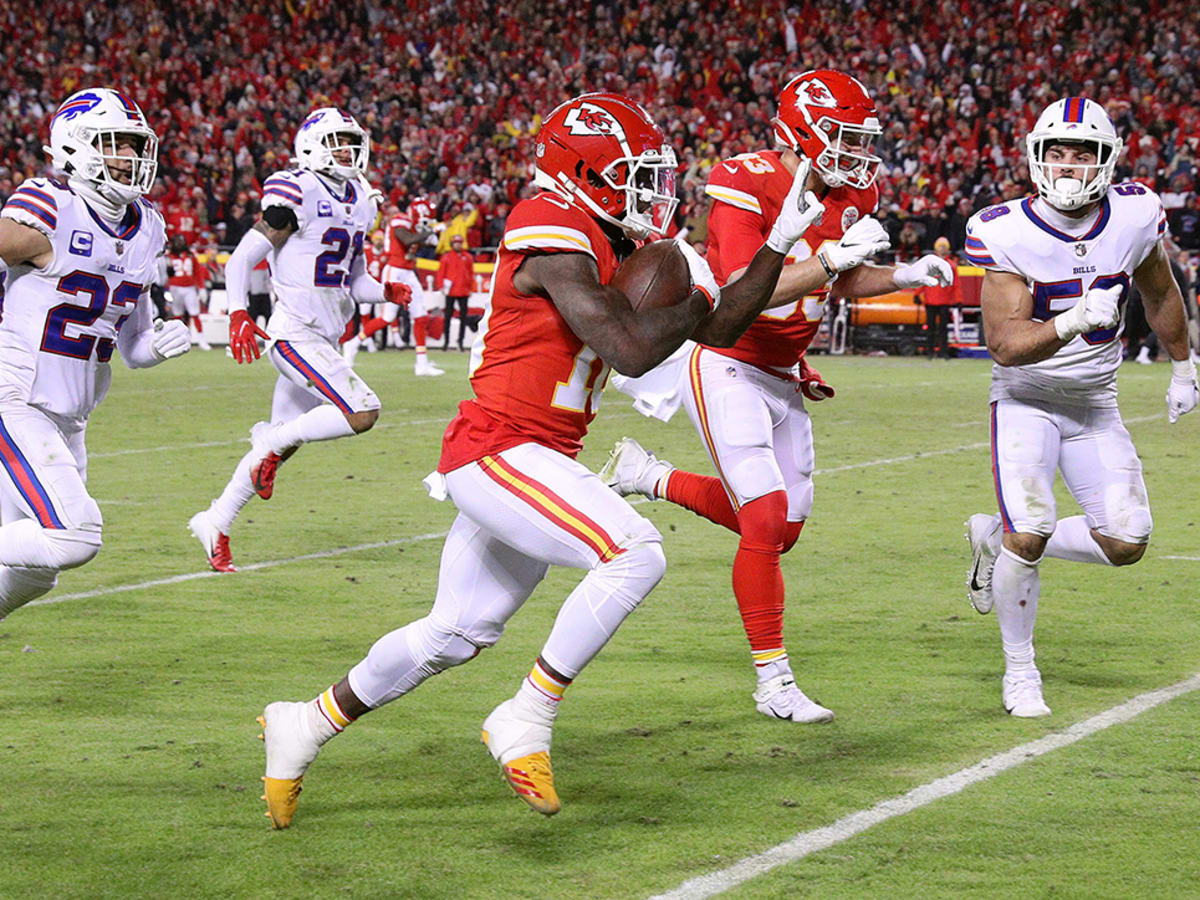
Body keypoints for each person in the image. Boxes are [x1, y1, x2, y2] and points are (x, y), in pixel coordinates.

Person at [256, 91, 824, 828]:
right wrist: (694, 298)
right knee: (635, 552)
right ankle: (526, 715)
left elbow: (720, 326)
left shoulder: (612, 238)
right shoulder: (547, 223)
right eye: (631, 174)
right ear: (584, 172)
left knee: (453, 633)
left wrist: (776, 246)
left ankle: (304, 723)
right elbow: (630, 345)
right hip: (500, 448)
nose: (647, 191)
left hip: (538, 455)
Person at [601, 70, 952, 724]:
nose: (856, 153)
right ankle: (773, 682)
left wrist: (902, 274)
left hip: (782, 372)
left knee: (782, 530)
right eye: (842, 137)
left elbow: (835, 283)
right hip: (728, 359)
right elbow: (743, 287)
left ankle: (648, 476)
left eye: (859, 138)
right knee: (762, 519)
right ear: (803, 131)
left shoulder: (854, 189)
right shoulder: (745, 179)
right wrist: (831, 261)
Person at [962, 97, 1198, 717]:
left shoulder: (1136, 214)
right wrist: (1068, 322)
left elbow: (1159, 289)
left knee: (1127, 541)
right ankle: (1020, 672)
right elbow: (1006, 347)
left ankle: (993, 536)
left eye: (1083, 154)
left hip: (1097, 401)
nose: (1069, 167)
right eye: (1058, 154)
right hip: (1028, 400)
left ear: (1108, 159)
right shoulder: (1003, 228)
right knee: (1032, 527)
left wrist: (1182, 364)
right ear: (1037, 158)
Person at [0, 88, 191, 620]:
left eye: (135, 146)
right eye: (116, 145)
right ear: (74, 147)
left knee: (38, 572)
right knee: (74, 535)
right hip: (15, 399)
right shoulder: (51, 204)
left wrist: (159, 345)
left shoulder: (148, 225)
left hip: (70, 418)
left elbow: (133, 346)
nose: (130, 158)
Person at [187, 107, 405, 573]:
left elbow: (356, 279)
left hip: (324, 337)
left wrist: (384, 290)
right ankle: (268, 441)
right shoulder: (299, 190)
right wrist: (240, 311)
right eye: (338, 142)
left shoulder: (362, 199)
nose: (348, 151)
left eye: (352, 141)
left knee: (278, 451)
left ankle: (215, 520)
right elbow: (243, 256)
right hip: (293, 335)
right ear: (312, 147)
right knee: (361, 411)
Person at [345, 197, 442, 375]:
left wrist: (427, 237)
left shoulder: (413, 225)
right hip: (395, 270)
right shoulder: (400, 220)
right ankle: (353, 344)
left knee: (420, 316)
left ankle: (421, 363)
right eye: (424, 220)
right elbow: (406, 239)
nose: (425, 224)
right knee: (388, 317)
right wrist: (429, 233)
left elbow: (414, 242)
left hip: (408, 271)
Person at [165, 234, 211, 350]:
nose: (179, 244)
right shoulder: (168, 255)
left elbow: (197, 271)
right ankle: (178, 340)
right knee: (177, 315)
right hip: (175, 287)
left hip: (189, 287)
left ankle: (201, 339)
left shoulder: (190, 255)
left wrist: (201, 287)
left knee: (195, 313)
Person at [921, 236, 963, 358]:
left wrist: (958, 300)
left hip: (945, 300)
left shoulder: (951, 266)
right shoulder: (930, 264)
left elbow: (956, 284)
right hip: (931, 300)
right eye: (940, 246)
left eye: (944, 247)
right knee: (931, 328)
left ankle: (942, 351)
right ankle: (930, 351)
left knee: (943, 329)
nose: (942, 249)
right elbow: (922, 279)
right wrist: (917, 293)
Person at [438, 234, 476, 350]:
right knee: (448, 317)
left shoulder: (468, 257)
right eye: (456, 242)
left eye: (459, 242)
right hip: (451, 291)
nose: (458, 244)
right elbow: (441, 273)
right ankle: (446, 342)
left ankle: (460, 341)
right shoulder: (446, 257)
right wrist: (441, 287)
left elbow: (470, 273)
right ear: (452, 244)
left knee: (463, 318)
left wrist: (471, 288)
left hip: (463, 291)